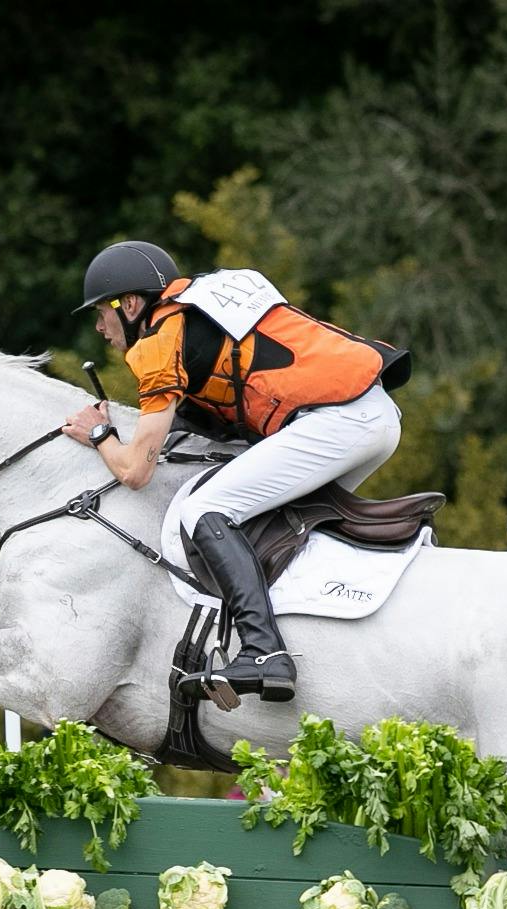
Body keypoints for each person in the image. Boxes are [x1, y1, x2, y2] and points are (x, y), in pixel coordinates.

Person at [60, 240, 411, 704]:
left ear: (129, 305)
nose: (100, 328)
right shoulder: (202, 304)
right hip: (374, 415)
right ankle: (311, 638)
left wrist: (100, 433)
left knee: (203, 509)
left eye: (101, 313)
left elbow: (135, 473)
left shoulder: (161, 339)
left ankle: (265, 652)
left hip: (340, 420)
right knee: (267, 521)